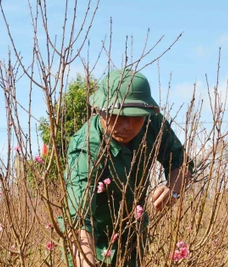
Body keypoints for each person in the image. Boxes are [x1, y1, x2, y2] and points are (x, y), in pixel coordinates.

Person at [63, 68, 192, 266]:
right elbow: (80, 221)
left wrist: (173, 191)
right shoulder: (85, 149)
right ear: (100, 110)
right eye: (118, 115)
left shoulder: (151, 122)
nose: (128, 125)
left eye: (136, 116)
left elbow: (181, 162)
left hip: (133, 237)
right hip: (92, 245)